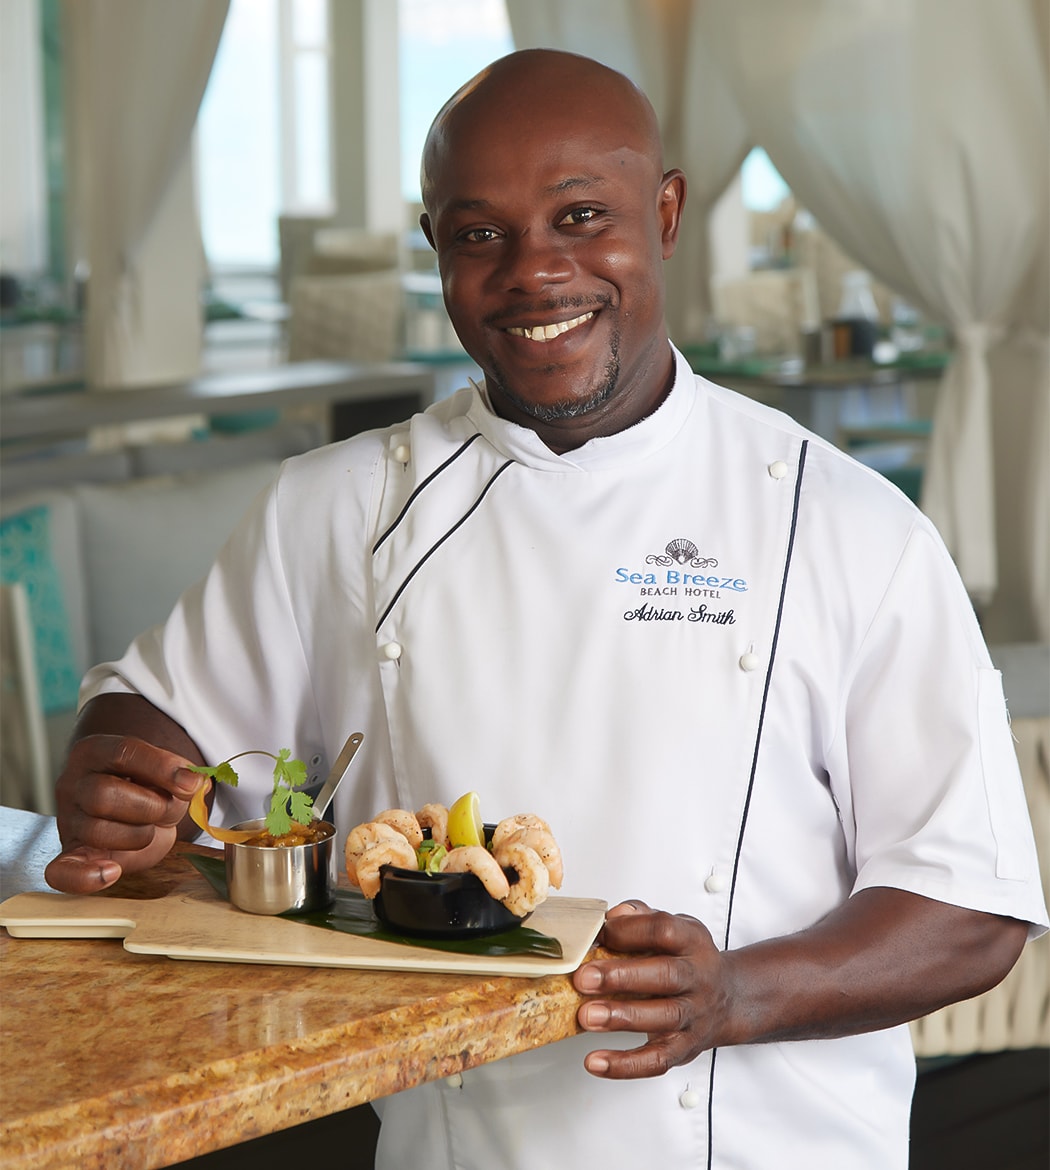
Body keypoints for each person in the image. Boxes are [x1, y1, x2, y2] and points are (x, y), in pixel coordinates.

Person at [46, 49, 1045, 1170]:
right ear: (435, 246)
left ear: (665, 214)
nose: (536, 271)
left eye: (582, 216)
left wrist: (735, 995)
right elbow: (154, 716)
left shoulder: (844, 522)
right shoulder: (334, 506)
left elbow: (971, 906)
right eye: (481, 234)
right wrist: (117, 777)